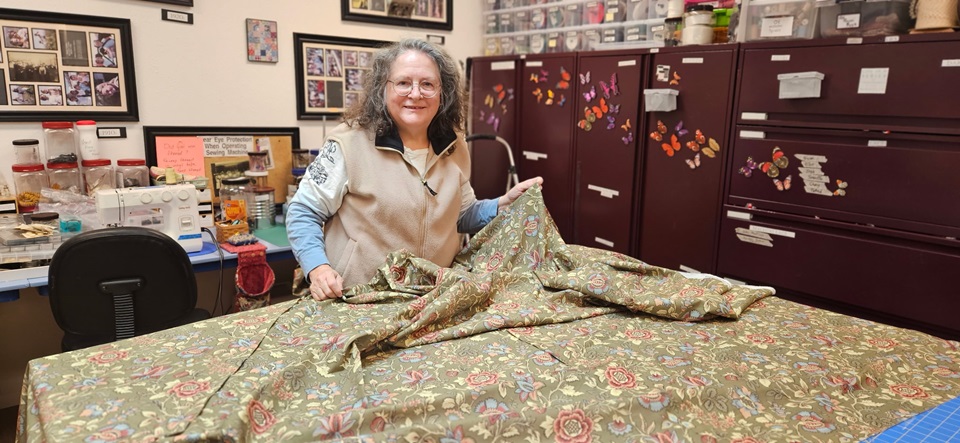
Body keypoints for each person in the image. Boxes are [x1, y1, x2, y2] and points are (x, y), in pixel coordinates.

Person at [287, 38, 542, 301]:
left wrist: (502, 205)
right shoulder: (348, 144)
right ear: (382, 89)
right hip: (361, 298)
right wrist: (318, 268)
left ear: (443, 93)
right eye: (403, 83)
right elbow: (303, 212)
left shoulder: (454, 146)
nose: (416, 94)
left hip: (432, 298)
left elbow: (460, 215)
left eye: (428, 84)